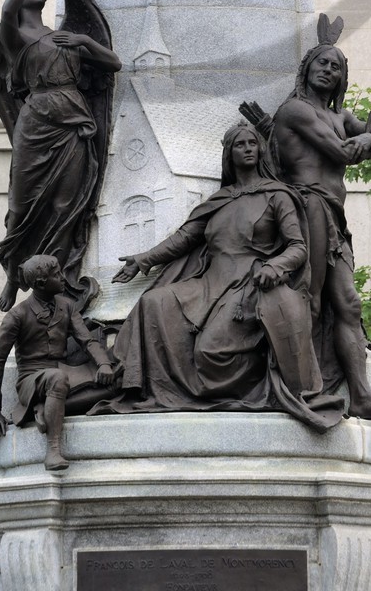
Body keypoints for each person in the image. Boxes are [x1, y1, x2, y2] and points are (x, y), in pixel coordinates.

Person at [107, 120, 340, 430]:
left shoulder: (277, 195)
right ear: (229, 154)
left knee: (210, 351)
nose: (247, 149)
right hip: (210, 281)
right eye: (239, 145)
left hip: (249, 284)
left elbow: (298, 248)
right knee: (153, 302)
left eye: (252, 143)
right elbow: (185, 237)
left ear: (260, 150)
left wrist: (275, 266)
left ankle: (245, 391)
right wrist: (143, 258)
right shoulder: (219, 201)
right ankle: (140, 385)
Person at [0, 0, 121, 313]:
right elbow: (3, 11)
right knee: (21, 203)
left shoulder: (62, 36)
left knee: (66, 203)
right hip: (36, 122)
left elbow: (114, 63)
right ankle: (13, 275)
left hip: (72, 120)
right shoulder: (13, 38)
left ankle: (56, 277)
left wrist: (85, 42)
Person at [272, 34, 371, 420]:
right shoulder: (295, 111)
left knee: (349, 303)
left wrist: (368, 135)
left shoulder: (339, 117)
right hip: (307, 205)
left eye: (337, 67)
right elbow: (342, 152)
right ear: (307, 68)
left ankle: (361, 396)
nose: (329, 70)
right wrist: (364, 138)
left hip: (334, 214)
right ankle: (306, 388)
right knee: (309, 300)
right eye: (323, 63)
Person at [0, 254, 118, 472]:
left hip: (62, 372)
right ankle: (53, 450)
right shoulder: (17, 315)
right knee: (57, 379)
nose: (64, 278)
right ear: (40, 284)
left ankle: (46, 409)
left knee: (114, 382)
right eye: (57, 275)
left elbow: (87, 340)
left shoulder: (67, 306)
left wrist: (104, 364)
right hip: (31, 379)